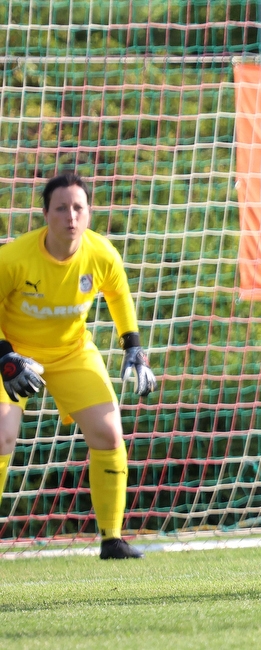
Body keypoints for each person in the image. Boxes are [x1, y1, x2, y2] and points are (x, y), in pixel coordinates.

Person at [0, 172, 156, 560]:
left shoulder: (101, 253)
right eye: (61, 208)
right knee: (2, 435)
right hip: (14, 356)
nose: (70, 216)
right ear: (45, 214)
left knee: (108, 434)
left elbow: (119, 296)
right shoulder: (14, 258)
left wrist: (133, 347)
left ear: (88, 214)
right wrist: (5, 357)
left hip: (72, 352)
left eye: (78, 208)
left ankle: (112, 540)